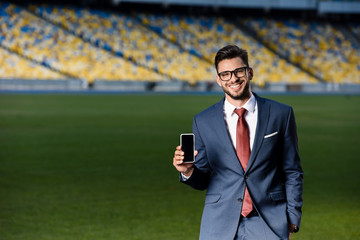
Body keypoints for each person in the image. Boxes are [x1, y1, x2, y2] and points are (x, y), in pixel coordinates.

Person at [172, 45, 303, 240]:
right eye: (225, 74)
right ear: (218, 79)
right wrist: (188, 171)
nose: (233, 78)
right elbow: (203, 181)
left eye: (238, 71)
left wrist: (292, 218)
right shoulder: (203, 120)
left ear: (249, 73)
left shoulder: (281, 114)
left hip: (268, 222)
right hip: (218, 224)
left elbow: (292, 171)